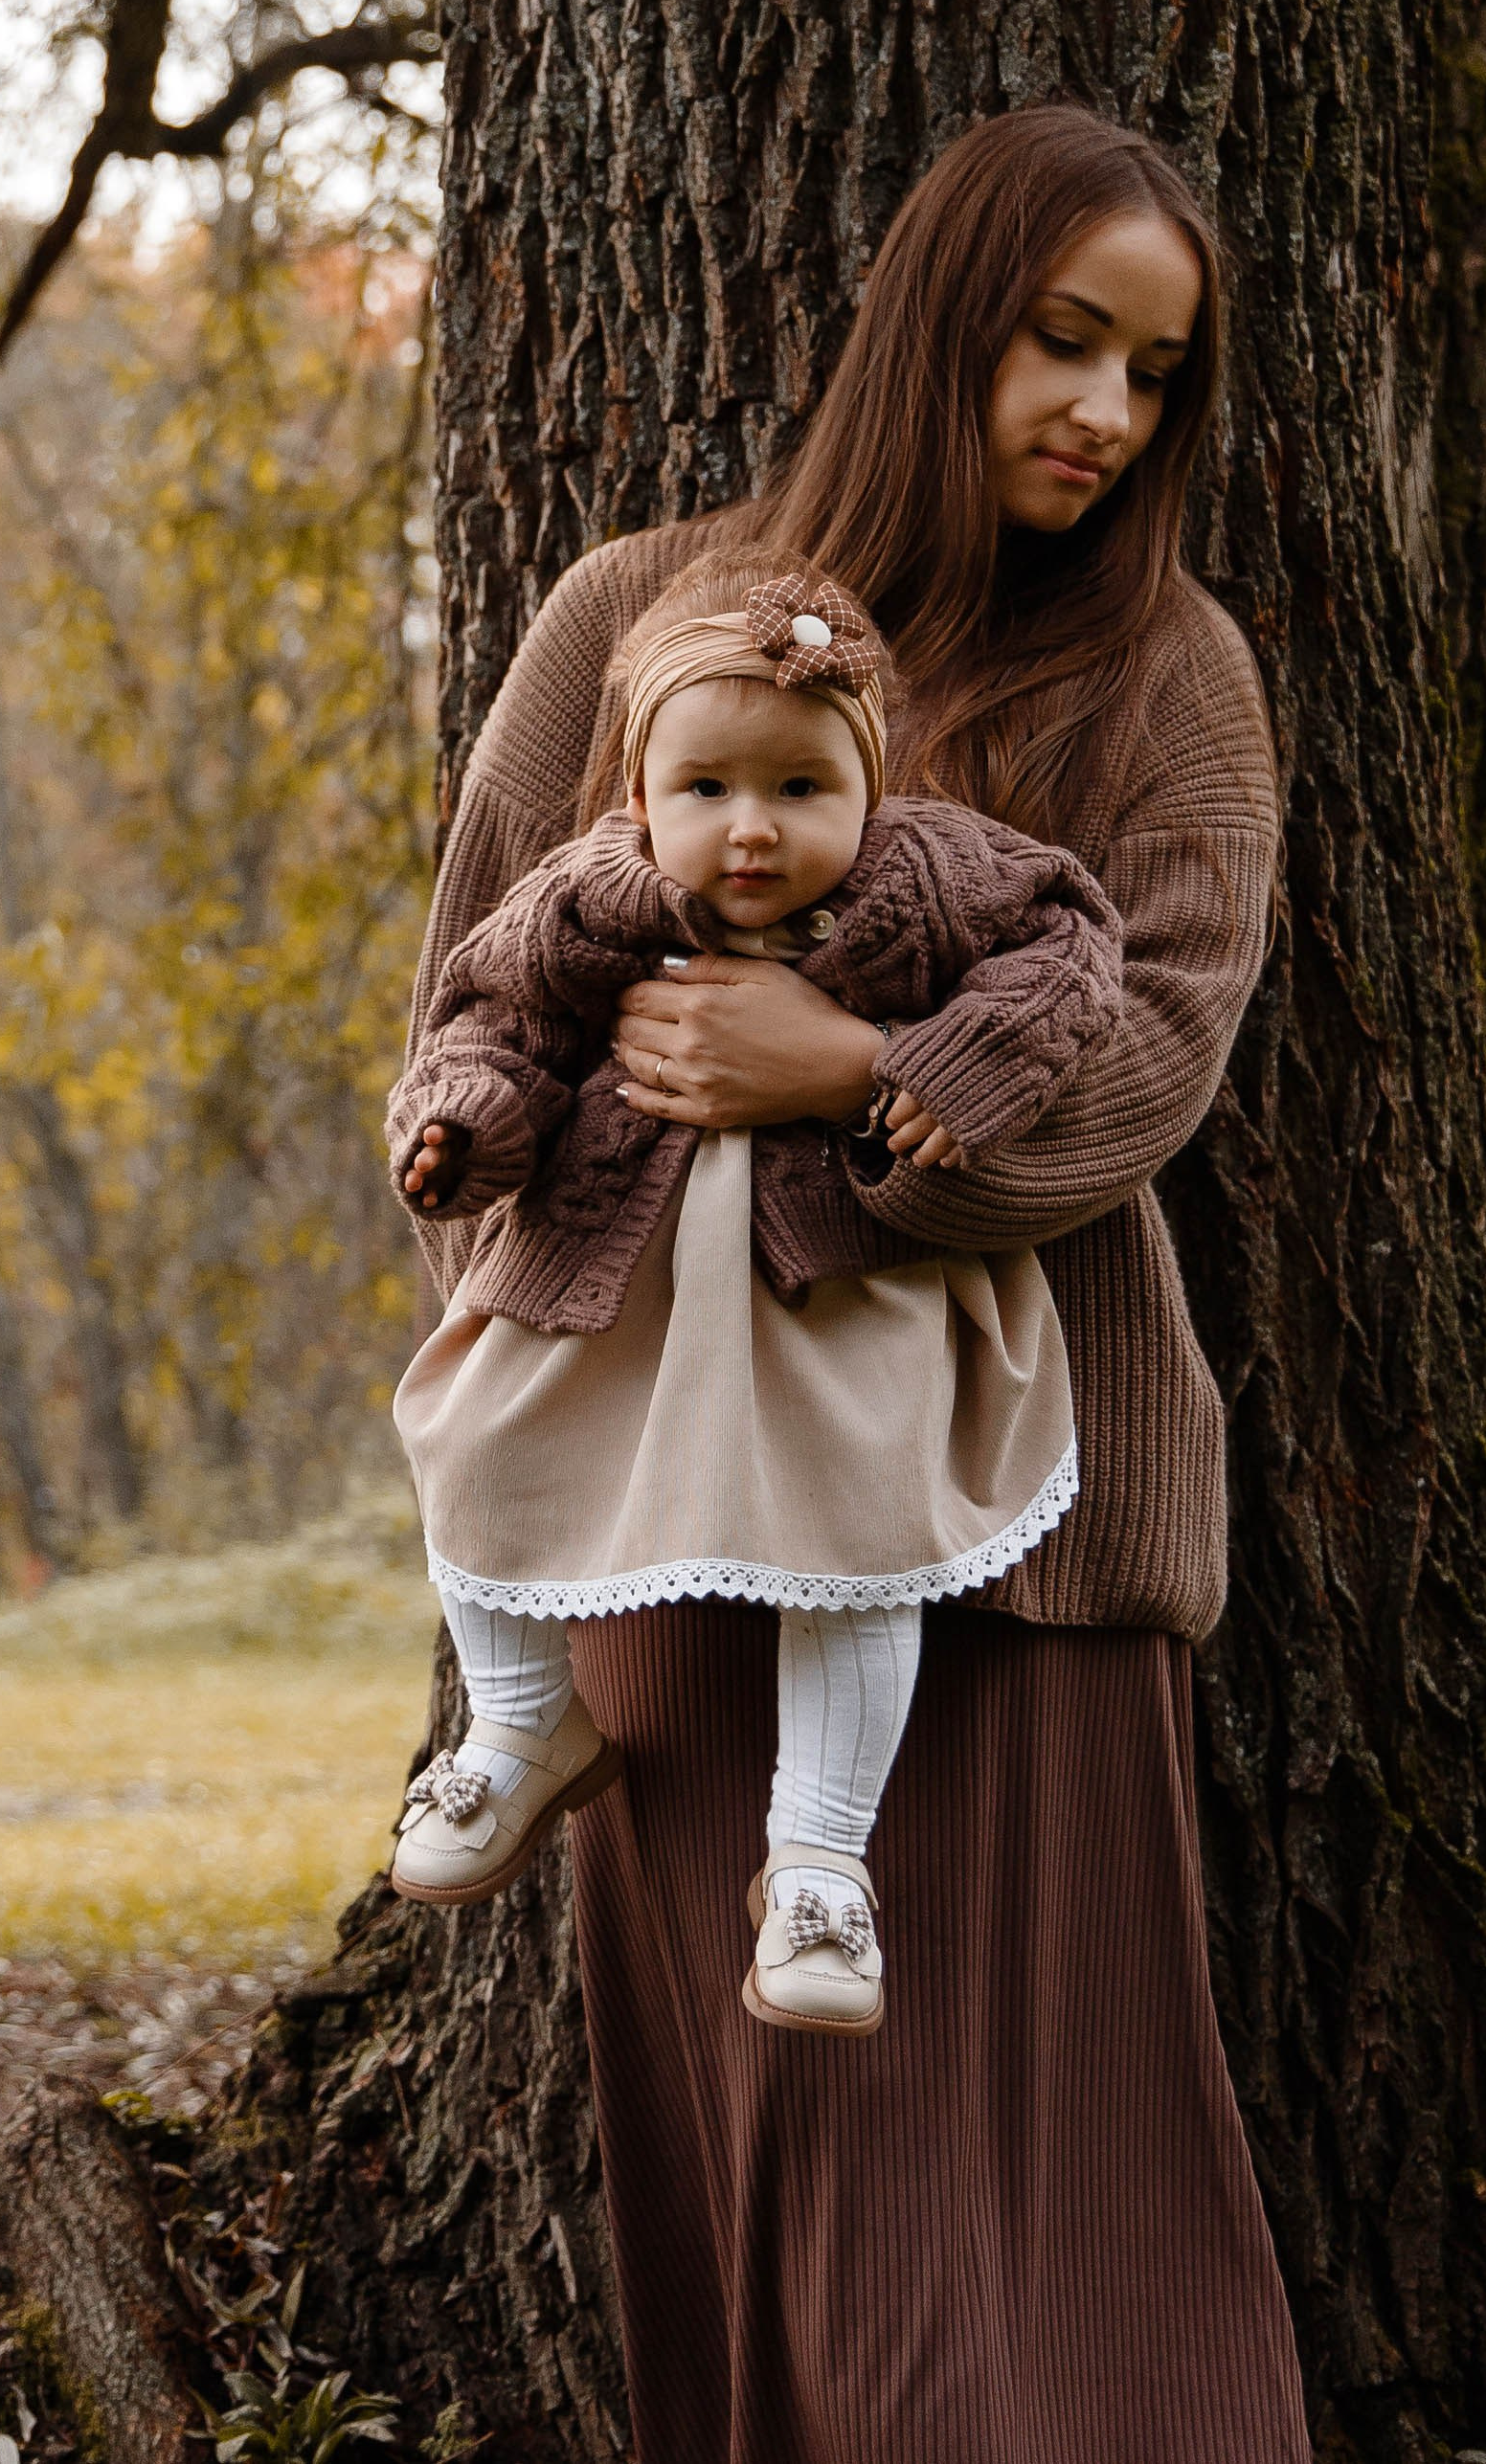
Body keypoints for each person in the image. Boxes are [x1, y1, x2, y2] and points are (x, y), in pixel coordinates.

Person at [401, 102, 1308, 2460]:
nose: (1101, 412)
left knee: (1052, 2229)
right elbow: (467, 1019)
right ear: (939, 319)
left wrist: (849, 1078)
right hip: (675, 1550)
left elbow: (1151, 1062)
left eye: (1151, 372)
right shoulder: (627, 616)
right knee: (780, 2221)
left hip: (1015, 1544)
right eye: (1058, 337)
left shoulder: (1163, 670)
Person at [384, 556, 1122, 2040]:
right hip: (608, 1270)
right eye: (706, 786)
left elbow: (1074, 947)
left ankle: (818, 1864)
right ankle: (527, 1723)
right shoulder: (589, 892)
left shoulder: (937, 875)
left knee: (855, 1542)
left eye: (799, 788)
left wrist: (945, 1065)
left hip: (834, 1287)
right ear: (642, 791)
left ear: (870, 783)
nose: (750, 827)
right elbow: (494, 1018)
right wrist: (466, 1126)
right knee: (471, 1451)